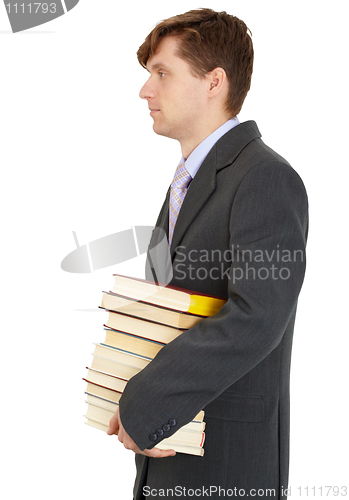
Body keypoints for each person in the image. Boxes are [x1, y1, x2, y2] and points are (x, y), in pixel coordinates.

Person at [107, 8, 308, 499]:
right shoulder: (185, 184)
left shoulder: (264, 177)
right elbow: (165, 305)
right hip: (166, 449)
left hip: (225, 462)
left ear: (214, 81)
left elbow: (257, 316)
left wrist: (148, 402)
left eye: (161, 73)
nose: (145, 90)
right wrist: (127, 394)